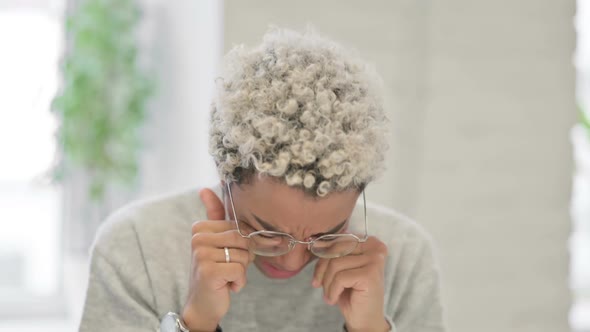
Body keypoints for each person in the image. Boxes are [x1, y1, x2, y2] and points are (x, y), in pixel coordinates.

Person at [79, 27, 445, 332]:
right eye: (266, 233)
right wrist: (195, 322)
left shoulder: (404, 257)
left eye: (326, 235)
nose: (292, 261)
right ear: (225, 178)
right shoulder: (138, 247)